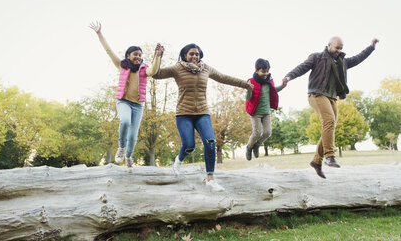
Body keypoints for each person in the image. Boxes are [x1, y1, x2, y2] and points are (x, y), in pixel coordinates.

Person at [153, 43, 254, 191]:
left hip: (202, 113)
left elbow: (223, 77)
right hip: (184, 113)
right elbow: (156, 74)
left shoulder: (205, 68)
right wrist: (157, 57)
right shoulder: (177, 68)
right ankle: (178, 161)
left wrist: (244, 84)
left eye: (197, 54)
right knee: (189, 145)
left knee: (211, 142)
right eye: (191, 54)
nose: (194, 56)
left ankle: (210, 179)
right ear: (185, 55)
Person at [282, 37, 379, 178]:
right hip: (317, 94)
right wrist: (289, 76)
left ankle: (316, 161)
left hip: (332, 97)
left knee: (330, 126)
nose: (338, 51)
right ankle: (329, 156)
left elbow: (358, 58)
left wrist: (371, 47)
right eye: (336, 48)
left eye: (341, 48)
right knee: (329, 121)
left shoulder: (343, 62)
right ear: (329, 45)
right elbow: (302, 67)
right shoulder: (317, 57)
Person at [89, 21, 164, 167]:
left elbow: (154, 71)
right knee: (125, 121)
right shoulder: (121, 66)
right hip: (123, 102)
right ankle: (122, 148)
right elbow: (109, 51)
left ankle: (129, 157)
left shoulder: (144, 69)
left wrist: (157, 56)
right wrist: (99, 34)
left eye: (140, 55)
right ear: (128, 56)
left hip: (138, 106)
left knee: (133, 136)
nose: (138, 57)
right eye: (135, 54)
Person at [245, 58, 287, 161]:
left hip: (266, 112)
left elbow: (273, 90)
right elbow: (248, 97)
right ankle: (249, 147)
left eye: (267, 71)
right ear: (257, 70)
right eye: (263, 71)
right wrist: (249, 90)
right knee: (256, 133)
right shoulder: (251, 81)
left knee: (268, 132)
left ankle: (257, 145)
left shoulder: (269, 80)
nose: (266, 73)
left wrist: (282, 86)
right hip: (255, 112)